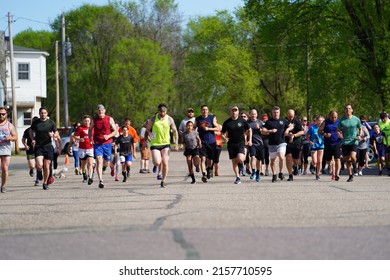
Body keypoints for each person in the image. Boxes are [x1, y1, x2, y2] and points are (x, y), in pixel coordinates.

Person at [146, 103, 179, 188]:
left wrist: (176, 143)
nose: (162, 113)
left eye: (164, 111)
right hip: (155, 143)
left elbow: (175, 131)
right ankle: (156, 165)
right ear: (158, 111)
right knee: (157, 162)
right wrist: (150, 138)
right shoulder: (153, 118)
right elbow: (148, 130)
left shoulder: (169, 119)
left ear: (166, 111)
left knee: (165, 162)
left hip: (166, 144)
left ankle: (163, 180)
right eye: (161, 111)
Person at [29, 107, 59, 190]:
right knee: (39, 165)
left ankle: (45, 183)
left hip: (48, 146)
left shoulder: (51, 123)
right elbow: (31, 131)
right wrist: (32, 139)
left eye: (45, 113)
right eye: (41, 113)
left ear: (47, 113)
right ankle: (39, 172)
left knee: (46, 167)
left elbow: (56, 132)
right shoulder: (36, 122)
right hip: (39, 146)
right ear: (39, 114)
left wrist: (53, 135)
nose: (43, 114)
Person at [88, 104, 117, 188]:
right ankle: (101, 180)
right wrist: (90, 139)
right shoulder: (95, 120)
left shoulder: (109, 119)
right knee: (98, 160)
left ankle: (105, 167)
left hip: (107, 143)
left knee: (106, 162)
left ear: (104, 111)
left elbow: (115, 131)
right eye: (99, 110)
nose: (100, 112)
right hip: (97, 144)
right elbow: (90, 129)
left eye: (102, 110)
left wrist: (108, 136)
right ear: (97, 111)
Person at [222, 106, 252, 184]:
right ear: (230, 112)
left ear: (238, 112)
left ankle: (241, 164)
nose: (234, 112)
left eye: (235, 110)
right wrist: (225, 138)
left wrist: (249, 139)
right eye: (233, 110)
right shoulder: (227, 122)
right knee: (234, 161)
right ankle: (237, 177)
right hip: (231, 144)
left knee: (240, 159)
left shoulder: (242, 121)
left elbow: (249, 129)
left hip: (241, 143)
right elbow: (222, 133)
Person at [262, 106, 289, 182]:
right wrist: (270, 131)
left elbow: (291, 126)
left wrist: (288, 129)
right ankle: (274, 174)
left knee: (281, 157)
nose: (275, 114)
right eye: (274, 112)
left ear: (279, 112)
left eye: (277, 112)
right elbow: (263, 130)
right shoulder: (268, 122)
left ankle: (280, 172)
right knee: (273, 161)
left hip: (281, 142)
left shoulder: (284, 121)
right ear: (272, 113)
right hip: (272, 144)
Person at [337, 104, 362, 182]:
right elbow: (338, 130)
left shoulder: (356, 119)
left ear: (352, 110)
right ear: (344, 110)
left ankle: (354, 165)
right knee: (347, 159)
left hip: (354, 141)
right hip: (345, 142)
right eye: (346, 109)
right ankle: (350, 175)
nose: (348, 110)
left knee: (353, 156)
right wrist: (339, 135)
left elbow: (360, 128)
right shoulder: (342, 120)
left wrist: (359, 136)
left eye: (349, 108)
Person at [194, 105, 219, 183]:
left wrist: (209, 129)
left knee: (210, 159)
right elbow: (193, 129)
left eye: (206, 109)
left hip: (212, 141)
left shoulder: (212, 118)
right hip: (203, 142)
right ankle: (203, 174)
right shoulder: (198, 119)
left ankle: (209, 169)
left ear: (208, 110)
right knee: (203, 158)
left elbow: (217, 128)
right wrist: (197, 138)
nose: (205, 111)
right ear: (201, 110)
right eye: (203, 109)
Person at [318, 111, 342, 181]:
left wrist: (341, 136)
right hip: (328, 143)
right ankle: (329, 164)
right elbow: (319, 131)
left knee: (337, 159)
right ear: (329, 116)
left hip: (337, 143)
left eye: (335, 117)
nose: (334, 119)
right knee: (328, 160)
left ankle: (337, 174)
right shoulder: (325, 122)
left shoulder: (339, 122)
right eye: (332, 117)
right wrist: (325, 134)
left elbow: (344, 131)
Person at [0, 107, 18, 193]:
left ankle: (3, 186)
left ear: (6, 115)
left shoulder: (9, 125)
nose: (1, 115)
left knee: (4, 168)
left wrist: (9, 137)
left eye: (3, 114)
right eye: (0, 114)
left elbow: (15, 137)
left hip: (5, 149)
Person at [284, 109, 305, 181]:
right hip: (287, 142)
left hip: (296, 142)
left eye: (292, 116)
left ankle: (295, 166)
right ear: (287, 115)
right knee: (288, 157)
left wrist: (294, 135)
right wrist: (288, 134)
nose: (290, 117)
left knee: (296, 159)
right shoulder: (284, 121)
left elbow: (302, 131)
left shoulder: (297, 121)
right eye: (289, 116)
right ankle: (290, 175)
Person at [74, 115, 94, 184]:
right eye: (85, 121)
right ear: (83, 121)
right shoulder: (80, 128)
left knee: (90, 163)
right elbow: (75, 136)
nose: (87, 122)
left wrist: (93, 141)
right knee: (83, 164)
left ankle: (90, 177)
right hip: (82, 149)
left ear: (90, 121)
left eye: (88, 121)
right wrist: (79, 139)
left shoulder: (92, 128)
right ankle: (84, 175)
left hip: (90, 148)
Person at [247, 109, 265, 182]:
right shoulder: (247, 123)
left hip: (260, 143)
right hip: (252, 143)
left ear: (257, 115)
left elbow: (265, 132)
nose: (253, 115)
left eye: (254, 114)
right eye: (252, 114)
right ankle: (253, 171)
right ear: (250, 115)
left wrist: (260, 129)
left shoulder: (260, 122)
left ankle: (257, 173)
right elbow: (244, 132)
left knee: (259, 159)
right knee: (252, 157)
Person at [22, 116, 39, 184]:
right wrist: (26, 145)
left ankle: (37, 179)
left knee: (38, 165)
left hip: (38, 149)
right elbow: (23, 140)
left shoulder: (40, 130)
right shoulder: (27, 130)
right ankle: (31, 169)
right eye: (33, 122)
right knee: (32, 165)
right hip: (30, 149)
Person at [307, 116, 325, 180]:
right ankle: (312, 164)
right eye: (319, 120)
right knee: (315, 161)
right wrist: (310, 141)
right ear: (316, 121)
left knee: (319, 161)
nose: (320, 122)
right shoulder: (312, 128)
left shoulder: (324, 128)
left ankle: (317, 174)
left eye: (321, 121)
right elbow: (307, 135)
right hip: (314, 145)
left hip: (321, 145)